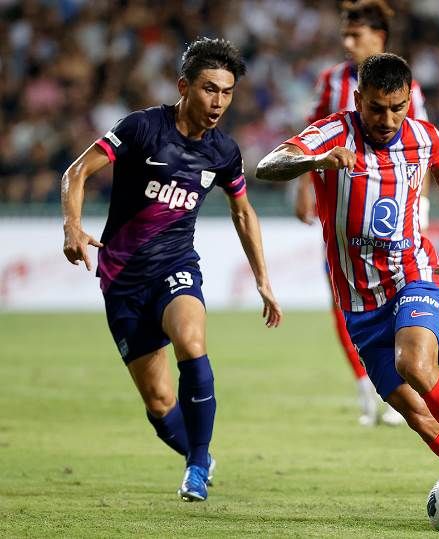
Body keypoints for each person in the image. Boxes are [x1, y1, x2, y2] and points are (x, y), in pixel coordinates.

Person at [256, 53, 439, 526]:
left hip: (414, 274)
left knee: (415, 365)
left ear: (409, 100)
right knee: (418, 416)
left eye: (398, 108)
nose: (387, 120)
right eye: (376, 108)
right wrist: (317, 160)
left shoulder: (423, 136)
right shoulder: (332, 133)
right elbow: (269, 164)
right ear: (358, 99)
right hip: (360, 303)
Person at [61, 37, 282, 502]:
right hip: (122, 280)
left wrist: (262, 278)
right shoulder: (142, 128)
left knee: (191, 342)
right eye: (209, 89)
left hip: (176, 266)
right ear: (184, 86)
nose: (218, 101)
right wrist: (73, 226)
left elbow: (243, 212)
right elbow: (76, 172)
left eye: (227, 92)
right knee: (160, 403)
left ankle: (197, 467)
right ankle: (197, 455)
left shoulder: (223, 152)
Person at [295, 0, 429, 427]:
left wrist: (421, 204)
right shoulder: (331, 81)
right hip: (342, 211)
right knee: (343, 297)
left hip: (392, 211)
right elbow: (309, 138)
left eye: (356, 35)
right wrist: (303, 185)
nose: (348, 43)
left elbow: (425, 149)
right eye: (345, 35)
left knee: (398, 297)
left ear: (379, 37)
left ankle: (398, 386)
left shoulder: (406, 88)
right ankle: (366, 387)